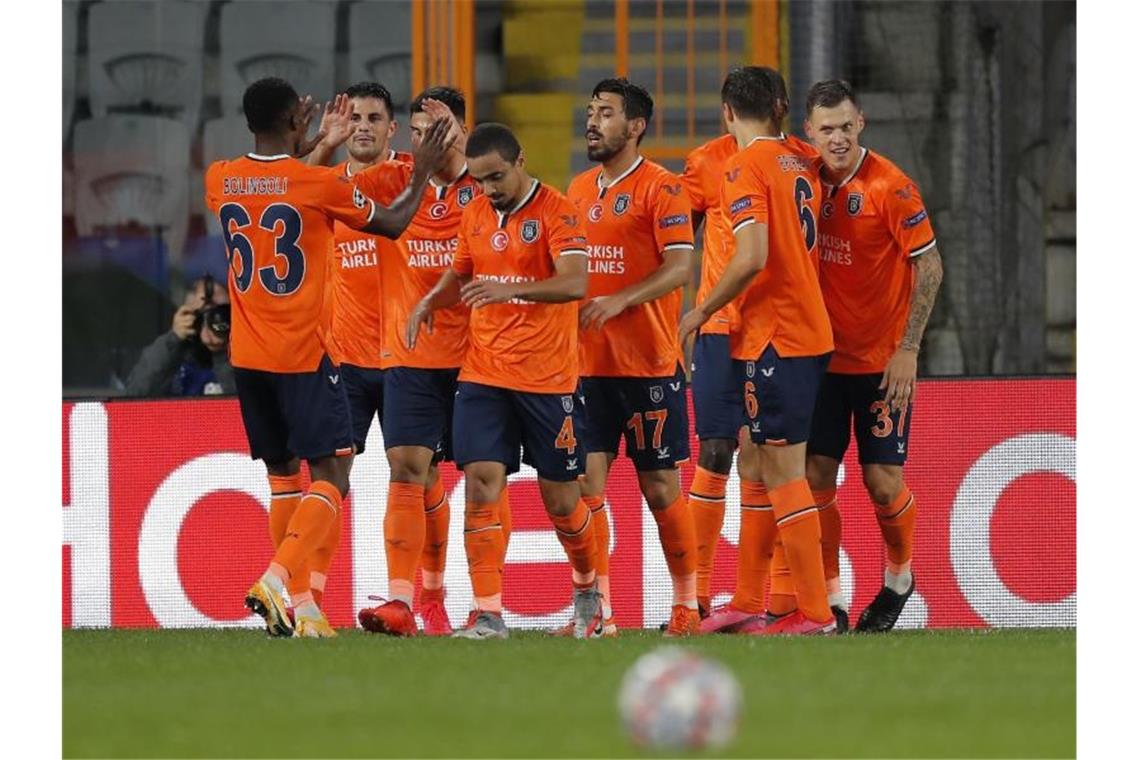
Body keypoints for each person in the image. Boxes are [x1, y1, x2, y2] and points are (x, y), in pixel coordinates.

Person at [203, 76, 452, 638]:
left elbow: (279, 185)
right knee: (332, 477)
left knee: (283, 478)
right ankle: (277, 580)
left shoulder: (219, 178)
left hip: (248, 358)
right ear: (297, 121)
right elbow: (389, 221)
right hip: (310, 353)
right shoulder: (317, 182)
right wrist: (422, 168)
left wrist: (316, 145)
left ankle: (306, 610)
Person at [407, 123, 602, 640]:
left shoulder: (558, 211)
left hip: (549, 379)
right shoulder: (473, 212)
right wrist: (433, 298)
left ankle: (588, 592)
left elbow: (577, 282)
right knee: (480, 484)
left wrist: (510, 290)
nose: (489, 188)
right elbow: (462, 273)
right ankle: (487, 613)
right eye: (480, 179)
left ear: (520, 160)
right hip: (484, 373)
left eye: (496, 177)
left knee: (562, 501)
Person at [679, 66, 836, 635]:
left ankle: (814, 614)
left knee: (784, 471)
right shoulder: (801, 162)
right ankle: (750, 600)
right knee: (765, 463)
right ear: (781, 107)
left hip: (776, 334)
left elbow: (751, 256)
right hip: (800, 331)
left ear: (727, 113)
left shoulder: (744, 165)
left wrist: (698, 309)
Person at [555, 78, 698, 637]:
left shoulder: (662, 189)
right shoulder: (578, 187)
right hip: (587, 367)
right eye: (591, 111)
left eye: (606, 113)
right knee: (585, 489)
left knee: (660, 488)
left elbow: (682, 266)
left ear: (635, 126)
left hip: (649, 365)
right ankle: (598, 613)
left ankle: (687, 604)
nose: (593, 121)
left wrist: (620, 298)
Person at [802, 79, 943, 632]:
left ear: (861, 122)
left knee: (883, 483)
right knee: (815, 479)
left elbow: (929, 267)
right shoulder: (803, 180)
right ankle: (834, 599)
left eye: (845, 126)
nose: (836, 139)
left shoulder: (892, 187)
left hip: (883, 363)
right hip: (819, 362)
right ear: (809, 132)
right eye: (826, 129)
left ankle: (899, 576)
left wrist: (909, 349)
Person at [353, 87, 481, 637]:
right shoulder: (392, 180)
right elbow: (318, 189)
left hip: (477, 357)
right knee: (407, 466)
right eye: (420, 128)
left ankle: (476, 602)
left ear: (462, 130)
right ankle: (406, 601)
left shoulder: (488, 186)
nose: (431, 137)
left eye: (443, 126)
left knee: (479, 478)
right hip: (408, 353)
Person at [293, 81, 421, 624]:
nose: (364, 126)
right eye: (356, 118)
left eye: (375, 117)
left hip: (404, 356)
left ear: (393, 129)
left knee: (412, 471)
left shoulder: (413, 179)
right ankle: (311, 601)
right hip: (340, 358)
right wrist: (316, 145)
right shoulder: (323, 183)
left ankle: (408, 600)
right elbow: (285, 189)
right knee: (330, 478)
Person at [123, 275, 234, 397]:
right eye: (204, 314)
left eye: (220, 314)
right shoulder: (172, 356)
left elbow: (246, 402)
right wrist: (174, 339)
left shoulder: (245, 355)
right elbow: (133, 396)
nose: (213, 320)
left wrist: (222, 353)